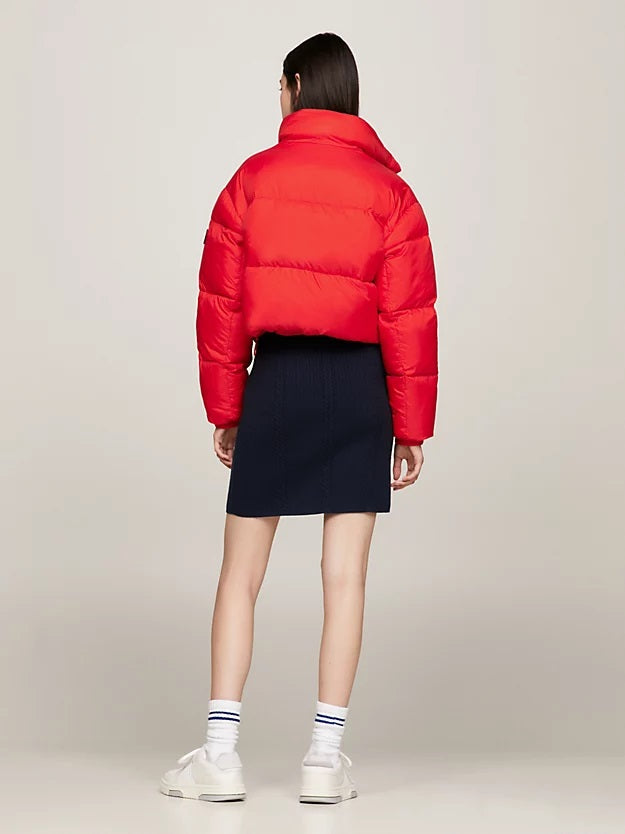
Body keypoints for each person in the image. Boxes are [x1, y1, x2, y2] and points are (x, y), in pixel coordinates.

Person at [159, 31, 438, 804]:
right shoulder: (391, 195)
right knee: (344, 578)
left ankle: (220, 757)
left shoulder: (251, 180)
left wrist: (227, 407)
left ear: (292, 87)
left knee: (239, 576)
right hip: (359, 389)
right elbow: (409, 317)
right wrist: (410, 426)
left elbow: (219, 305)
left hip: (276, 380)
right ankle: (323, 759)